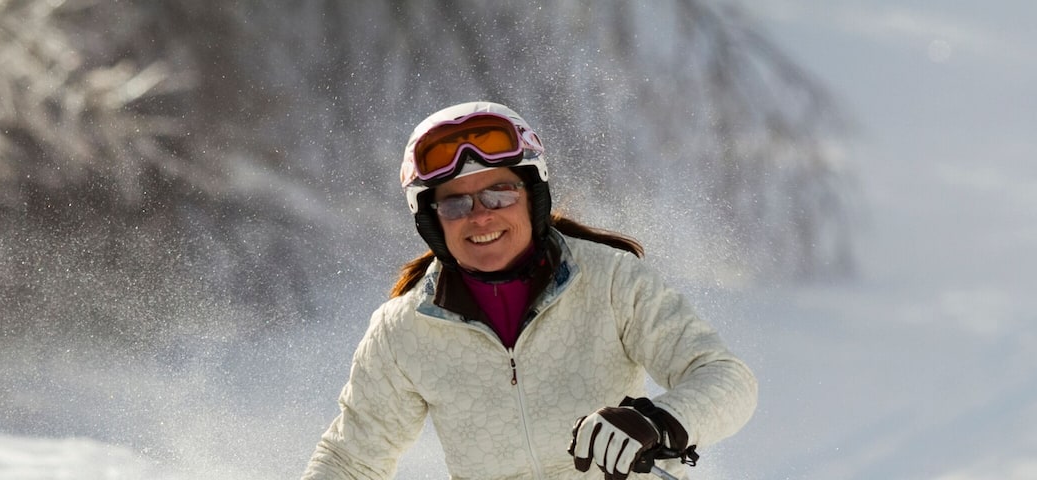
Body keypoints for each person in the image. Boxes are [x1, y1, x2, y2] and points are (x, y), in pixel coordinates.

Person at [301, 102, 758, 480]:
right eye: (456, 202)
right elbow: (351, 461)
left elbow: (727, 379)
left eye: (500, 193)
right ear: (432, 222)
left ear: (533, 197)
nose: (481, 216)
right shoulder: (404, 331)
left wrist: (656, 423)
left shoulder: (611, 281)